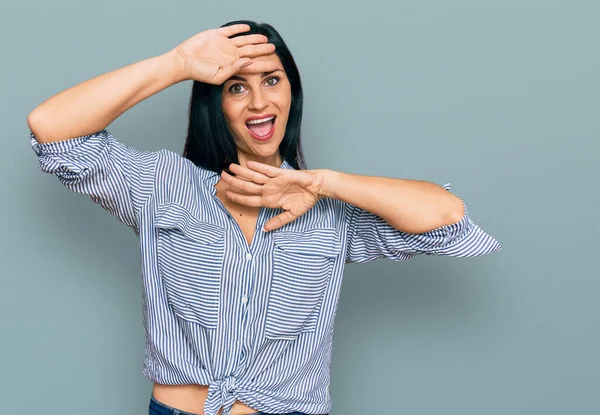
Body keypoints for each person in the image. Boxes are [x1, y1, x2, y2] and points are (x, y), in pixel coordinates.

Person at [27, 20, 501, 415]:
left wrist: (321, 183)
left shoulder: (330, 210)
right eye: (238, 87)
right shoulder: (161, 184)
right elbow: (52, 129)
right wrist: (177, 64)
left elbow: (446, 216)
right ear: (218, 105)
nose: (258, 103)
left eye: (272, 81)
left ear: (291, 92)